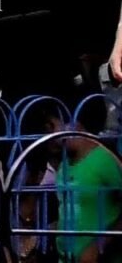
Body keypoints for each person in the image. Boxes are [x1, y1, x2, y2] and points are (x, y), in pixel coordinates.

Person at [42, 98, 122, 263]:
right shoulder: (64, 166)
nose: (50, 135)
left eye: (52, 126)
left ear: (74, 124)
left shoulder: (104, 159)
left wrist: (100, 245)